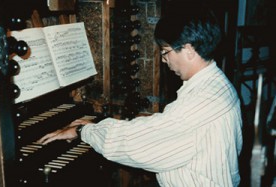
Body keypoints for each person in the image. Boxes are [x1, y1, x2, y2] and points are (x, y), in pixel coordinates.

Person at [38, 6, 243, 187]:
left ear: (189, 50)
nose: (164, 60)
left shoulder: (200, 101)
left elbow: (138, 144)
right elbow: (168, 126)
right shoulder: (218, 84)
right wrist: (102, 125)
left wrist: (83, 130)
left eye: (165, 51)